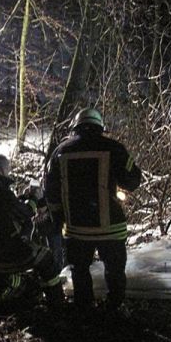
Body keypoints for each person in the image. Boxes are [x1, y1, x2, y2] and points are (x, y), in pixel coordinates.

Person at [45, 108, 142, 317]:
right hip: (111, 227)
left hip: (76, 228)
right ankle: (114, 306)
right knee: (114, 269)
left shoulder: (60, 152)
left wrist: (59, 218)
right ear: (100, 126)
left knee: (79, 270)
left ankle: (84, 307)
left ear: (75, 127)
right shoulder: (114, 148)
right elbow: (133, 180)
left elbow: (50, 192)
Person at [0, 154, 64, 310]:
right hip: (6, 252)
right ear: (1, 170)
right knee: (45, 257)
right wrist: (34, 199)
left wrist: (23, 197)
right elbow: (25, 212)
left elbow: (4, 209)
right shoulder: (1, 192)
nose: (10, 172)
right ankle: (57, 303)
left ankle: (31, 292)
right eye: (8, 168)